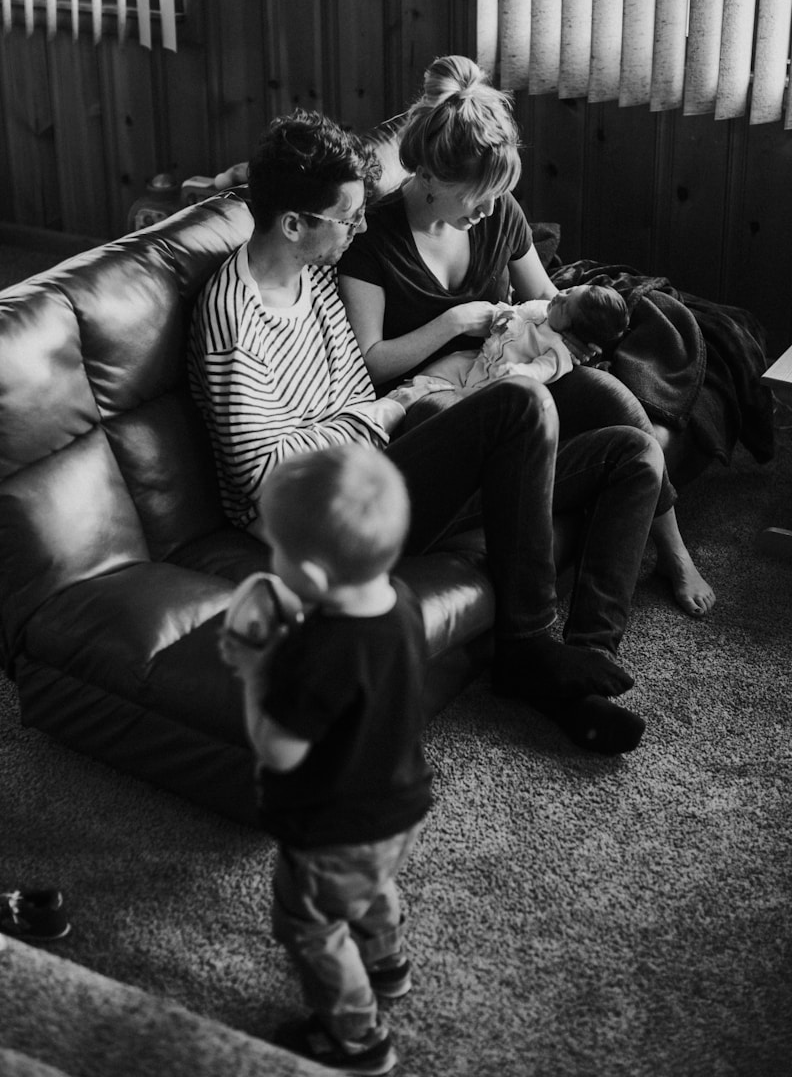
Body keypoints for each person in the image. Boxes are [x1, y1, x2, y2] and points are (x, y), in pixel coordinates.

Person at [190, 106, 664, 763]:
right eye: (348, 217)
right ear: (294, 223)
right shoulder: (233, 325)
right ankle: (526, 650)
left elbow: (355, 396)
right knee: (519, 407)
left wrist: (383, 412)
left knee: (632, 453)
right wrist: (385, 413)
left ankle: (582, 668)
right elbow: (261, 483)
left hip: (380, 475)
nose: (360, 227)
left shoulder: (316, 272)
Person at [338, 54, 716, 620]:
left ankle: (673, 550)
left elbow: (542, 298)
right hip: (441, 400)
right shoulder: (373, 241)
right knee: (461, 407)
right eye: (480, 196)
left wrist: (570, 333)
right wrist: (451, 323)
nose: (491, 209)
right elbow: (371, 363)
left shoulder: (498, 214)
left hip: (514, 365)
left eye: (499, 195)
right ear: (431, 179)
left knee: (609, 396)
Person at [219, 445, 431, 1077]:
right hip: (400, 804)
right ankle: (387, 960)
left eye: (275, 549)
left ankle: (357, 1035)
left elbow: (279, 751)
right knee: (370, 884)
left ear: (308, 574)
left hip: (330, 826)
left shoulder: (313, 655)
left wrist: (257, 673)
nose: (270, 559)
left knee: (309, 925)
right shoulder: (401, 602)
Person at [416, 283, 629, 395]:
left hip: (492, 385)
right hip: (479, 360)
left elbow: (539, 371)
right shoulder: (543, 309)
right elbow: (517, 312)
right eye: (569, 290)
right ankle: (395, 402)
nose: (559, 295)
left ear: (573, 333)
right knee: (434, 373)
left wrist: (518, 373)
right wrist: (500, 315)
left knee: (446, 396)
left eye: (565, 306)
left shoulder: (558, 352)